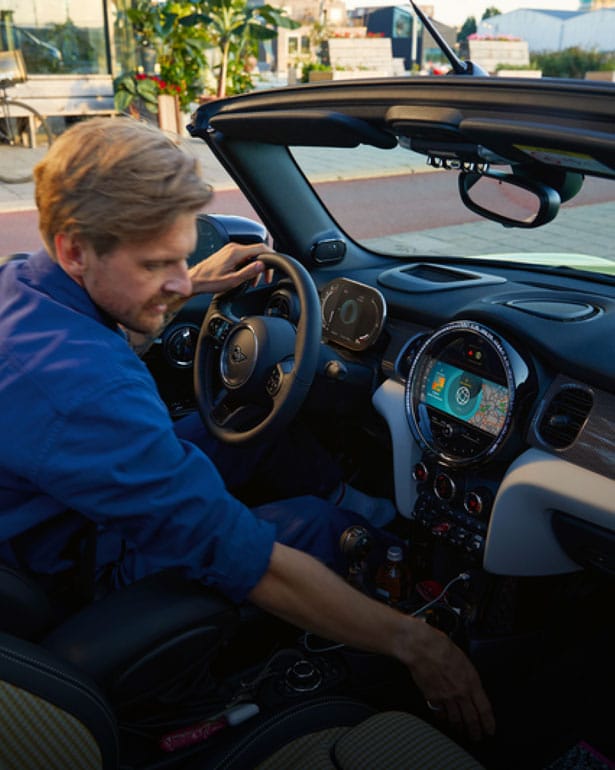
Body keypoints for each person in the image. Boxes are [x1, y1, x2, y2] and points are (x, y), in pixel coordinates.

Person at [0, 117, 495, 742]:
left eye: (184, 256)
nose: (181, 280)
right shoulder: (89, 391)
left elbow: (108, 324)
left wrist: (189, 287)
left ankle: (372, 509)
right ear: (75, 249)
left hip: (56, 518)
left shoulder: (22, 284)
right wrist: (420, 646)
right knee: (314, 526)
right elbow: (244, 559)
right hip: (77, 569)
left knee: (253, 420)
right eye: (157, 264)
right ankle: (389, 581)